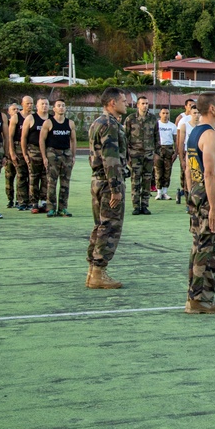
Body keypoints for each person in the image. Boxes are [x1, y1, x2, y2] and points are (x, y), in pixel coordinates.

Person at [185, 92, 215, 314]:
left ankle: (193, 297)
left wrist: (191, 193)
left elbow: (188, 168)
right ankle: (201, 300)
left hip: (197, 192)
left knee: (198, 245)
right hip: (210, 192)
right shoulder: (210, 135)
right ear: (211, 108)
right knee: (209, 247)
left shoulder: (194, 132)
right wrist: (213, 207)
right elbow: (209, 173)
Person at [86, 88, 129, 290]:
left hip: (97, 180)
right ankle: (98, 271)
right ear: (112, 103)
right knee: (110, 227)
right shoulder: (110, 125)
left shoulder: (97, 122)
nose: (126, 103)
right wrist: (115, 189)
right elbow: (110, 159)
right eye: (123, 100)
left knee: (100, 226)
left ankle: (92, 271)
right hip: (108, 181)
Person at [38, 98, 77, 216]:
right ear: (54, 108)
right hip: (52, 153)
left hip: (66, 154)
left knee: (65, 183)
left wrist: (73, 156)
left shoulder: (70, 123)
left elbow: (73, 141)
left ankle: (62, 208)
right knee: (51, 182)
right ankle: (51, 207)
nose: (61, 107)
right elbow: (42, 140)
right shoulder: (48, 123)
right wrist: (44, 157)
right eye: (59, 105)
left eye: (63, 105)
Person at [124, 96, 158, 216]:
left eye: (147, 103)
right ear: (138, 105)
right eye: (143, 103)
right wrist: (126, 156)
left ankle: (145, 205)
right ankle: (136, 206)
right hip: (135, 154)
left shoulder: (153, 119)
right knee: (135, 180)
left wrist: (156, 154)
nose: (145, 105)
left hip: (149, 154)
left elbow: (156, 137)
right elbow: (125, 138)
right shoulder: (130, 119)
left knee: (147, 180)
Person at [20, 97, 51, 213]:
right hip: (34, 151)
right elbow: (23, 137)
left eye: (46, 104)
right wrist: (25, 154)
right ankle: (33, 203)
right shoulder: (31, 118)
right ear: (37, 106)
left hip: (48, 152)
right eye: (42, 104)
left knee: (46, 178)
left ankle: (43, 201)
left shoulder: (51, 119)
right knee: (33, 177)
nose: (44, 106)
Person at [154, 108, 178, 200]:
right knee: (158, 171)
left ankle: (165, 192)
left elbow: (176, 140)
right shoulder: (156, 124)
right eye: (163, 113)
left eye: (167, 113)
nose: (165, 115)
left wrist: (176, 152)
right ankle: (159, 192)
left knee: (167, 172)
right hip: (158, 149)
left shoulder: (172, 126)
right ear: (160, 114)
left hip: (168, 149)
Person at [4, 102, 22, 208]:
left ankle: (19, 199)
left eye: (17, 109)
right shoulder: (5, 123)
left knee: (21, 177)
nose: (16, 111)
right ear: (9, 112)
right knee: (9, 177)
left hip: (20, 152)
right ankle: (10, 199)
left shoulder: (22, 122)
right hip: (9, 153)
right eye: (14, 109)